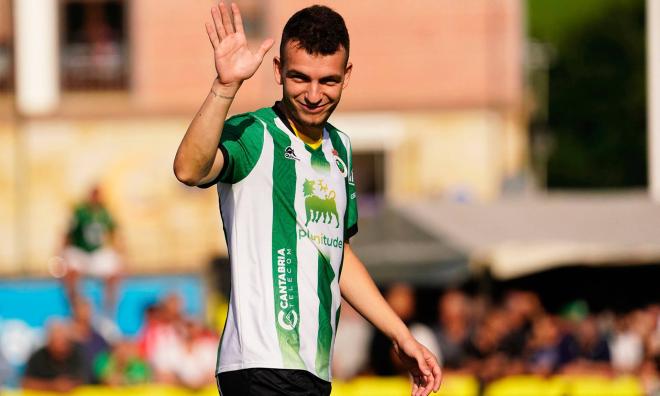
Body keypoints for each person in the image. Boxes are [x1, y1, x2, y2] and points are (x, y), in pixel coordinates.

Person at [173, 3, 442, 396]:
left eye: (328, 81)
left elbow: (336, 253)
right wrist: (225, 87)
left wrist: (400, 335)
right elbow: (189, 169)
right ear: (279, 70)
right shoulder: (255, 134)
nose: (314, 95)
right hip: (259, 363)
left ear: (346, 76)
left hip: (313, 369)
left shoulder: (341, 150)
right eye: (300, 78)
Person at [60, 185, 123, 315]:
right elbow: (68, 233)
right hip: (80, 251)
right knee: (70, 273)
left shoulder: (105, 213)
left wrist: (121, 253)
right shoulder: (80, 213)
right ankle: (73, 306)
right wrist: (62, 254)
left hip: (97, 253)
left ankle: (108, 311)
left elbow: (114, 233)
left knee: (114, 274)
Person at [22, 320, 86, 392]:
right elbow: (26, 383)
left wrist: (69, 386)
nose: (59, 347)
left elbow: (84, 380)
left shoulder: (76, 355)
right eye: (56, 340)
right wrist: (52, 386)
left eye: (63, 342)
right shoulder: (38, 357)